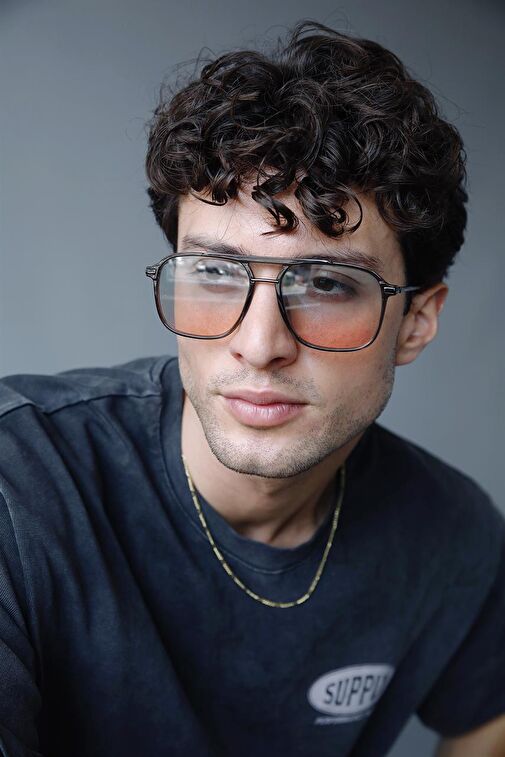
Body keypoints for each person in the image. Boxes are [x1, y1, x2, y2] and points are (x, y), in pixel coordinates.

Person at [0, 20, 504, 757]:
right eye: (213, 272)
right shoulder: (18, 487)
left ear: (415, 323)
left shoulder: (450, 532)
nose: (260, 344)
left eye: (326, 283)